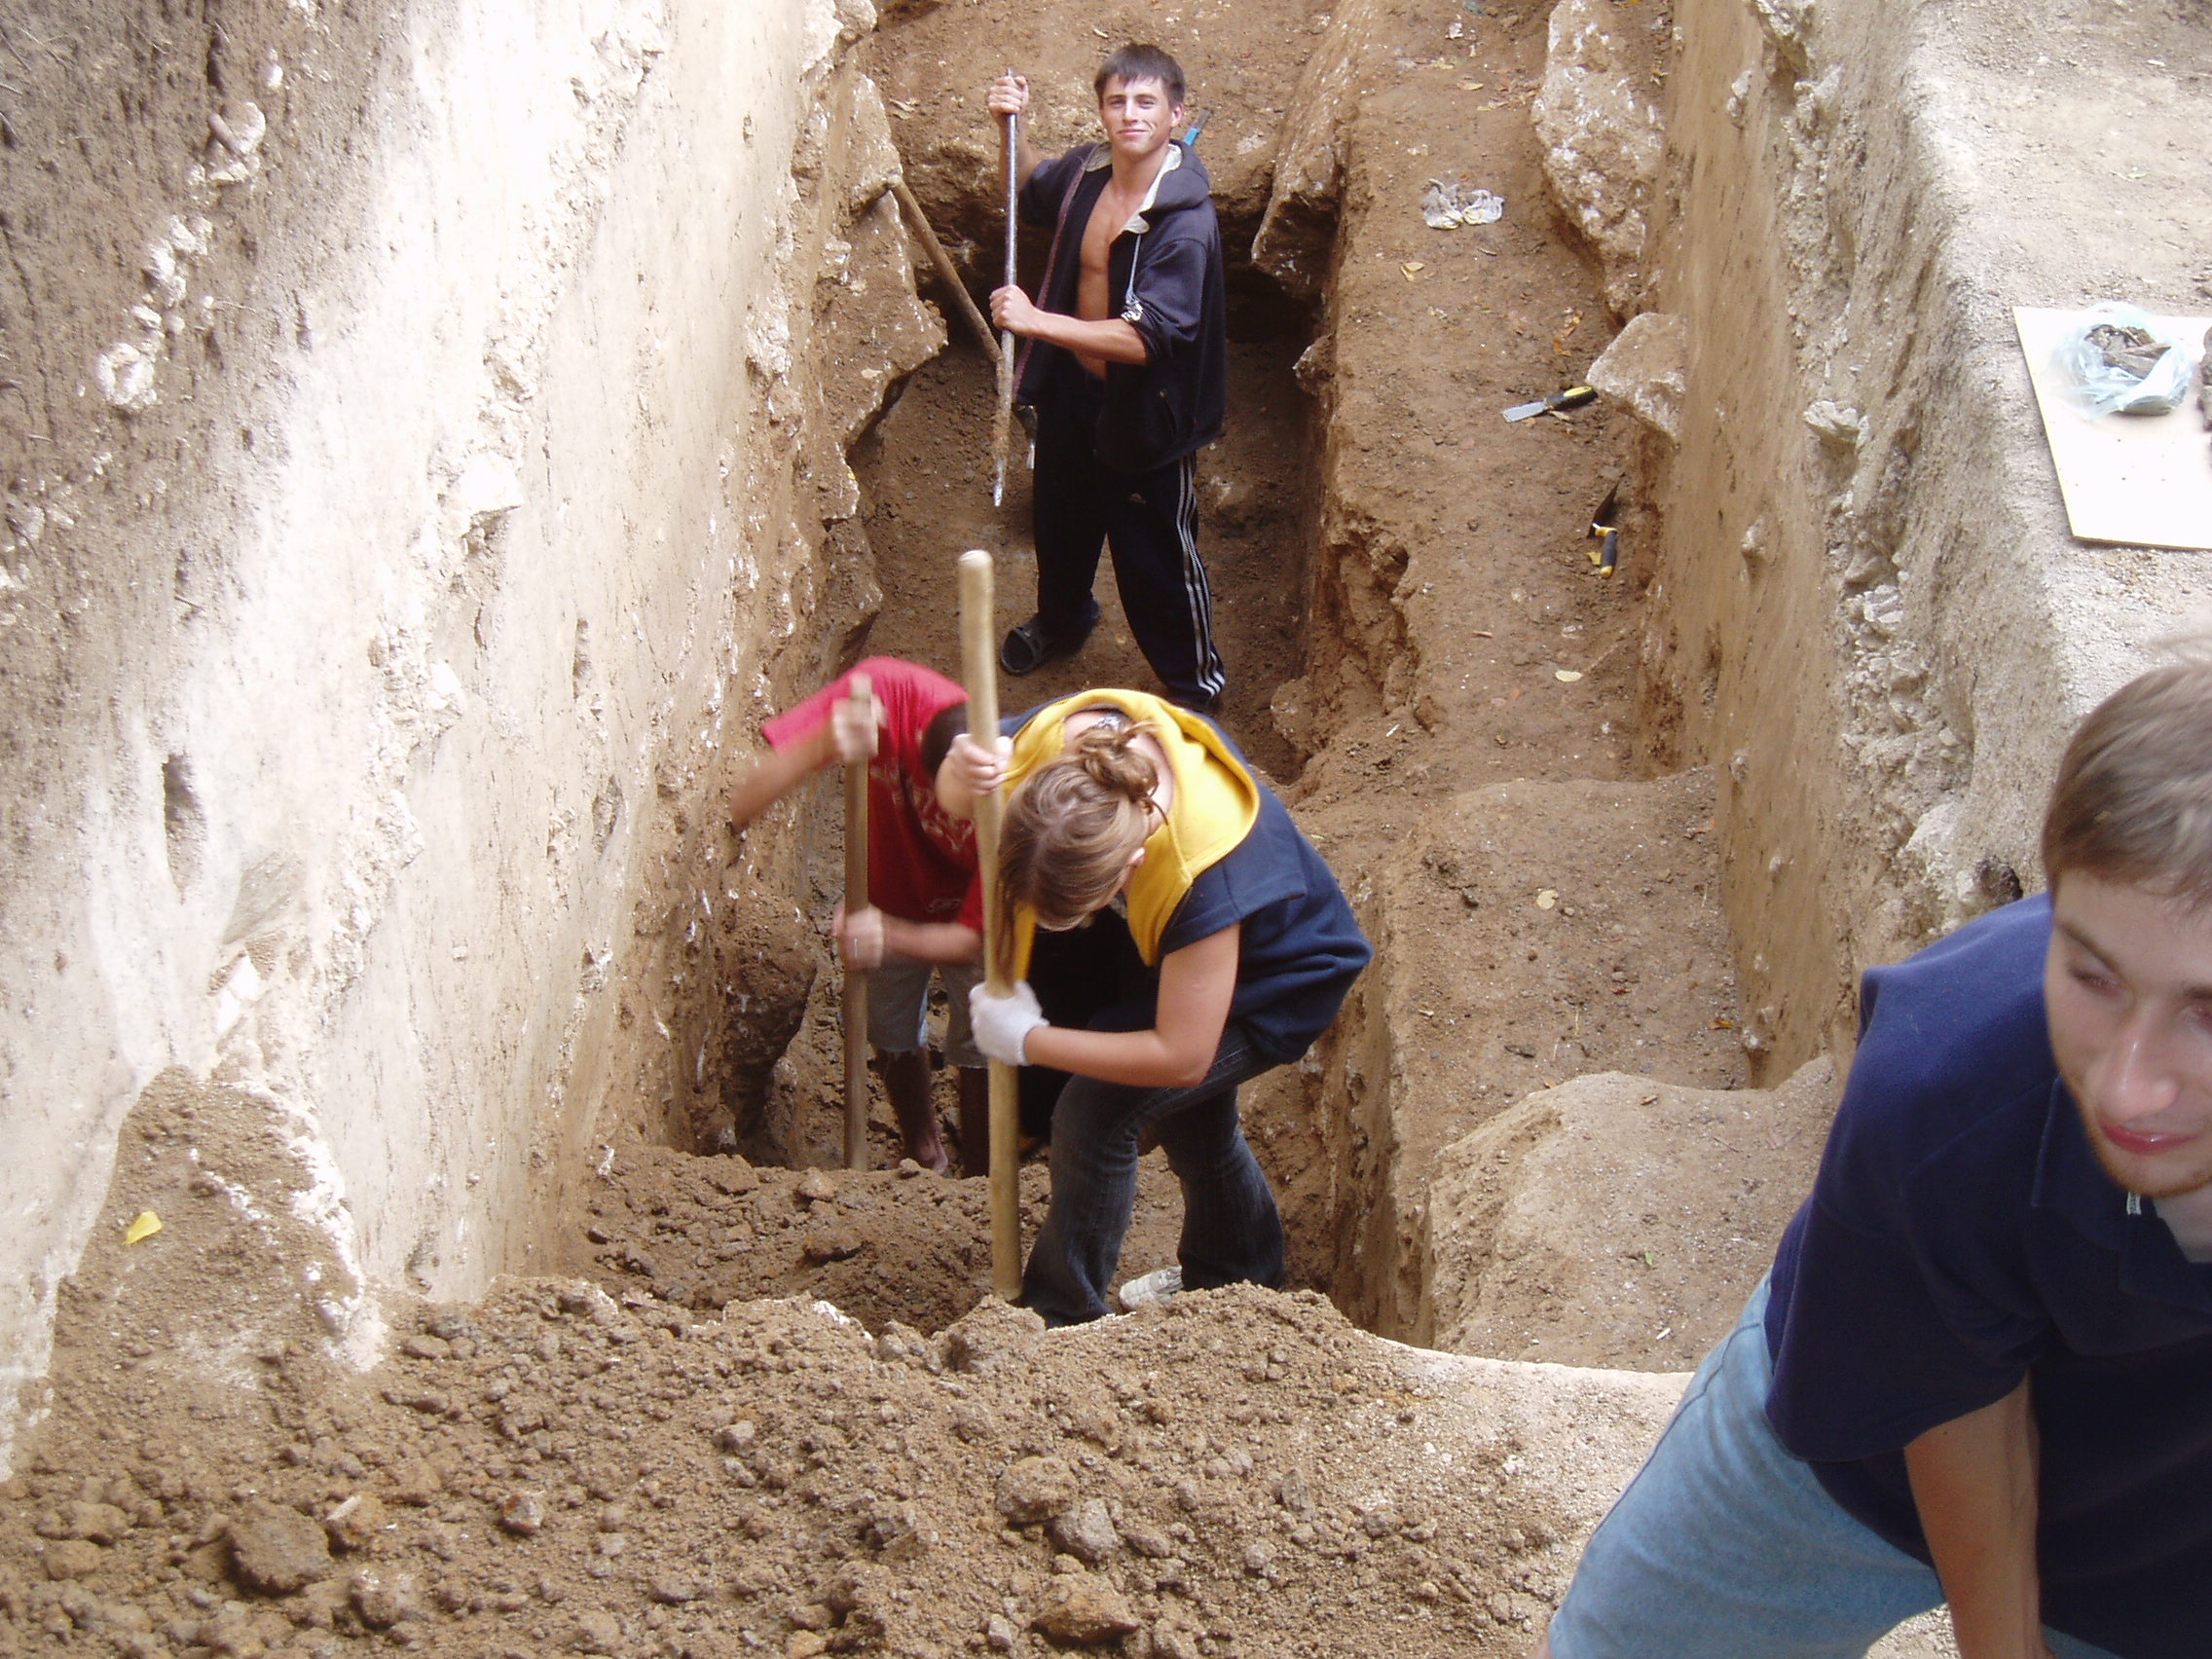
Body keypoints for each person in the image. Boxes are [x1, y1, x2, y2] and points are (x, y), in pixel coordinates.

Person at [1530, 657, 2212, 1659]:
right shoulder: (1949, 1091)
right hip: (1861, 1446)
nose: (2124, 1089)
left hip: (2168, 1549)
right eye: (2092, 976)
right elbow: (1947, 1403)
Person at [942, 688, 1370, 1324]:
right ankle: (1239, 1275)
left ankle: (1061, 1314)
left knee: (1094, 1114)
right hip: (1175, 960)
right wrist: (959, 777)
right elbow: (962, 796)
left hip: (1278, 978)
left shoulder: (1204, 878)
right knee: (1194, 1128)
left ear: (1134, 864)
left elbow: (1182, 1057)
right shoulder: (1057, 745)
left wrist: (1028, 1039)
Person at [985, 46, 1229, 713]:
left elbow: (1146, 339)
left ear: (1176, 114)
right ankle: (1065, 621)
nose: (1130, 115)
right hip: (1072, 396)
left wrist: (1037, 322)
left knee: (1156, 558)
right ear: (1101, 110)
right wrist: (1010, 127)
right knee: (1060, 522)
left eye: (1147, 102)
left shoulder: (1184, 223)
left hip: (1147, 414)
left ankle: (1195, 685)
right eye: (1117, 101)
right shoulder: (1087, 174)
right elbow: (1029, 185)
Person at [726, 656, 985, 1175]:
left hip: (972, 919)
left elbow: (977, 941)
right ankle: (924, 1153)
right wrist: (821, 744)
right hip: (887, 894)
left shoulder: (1014, 799)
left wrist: (888, 934)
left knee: (986, 1042)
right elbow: (736, 804)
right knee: (888, 1029)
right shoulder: (883, 696)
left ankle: (981, 1176)